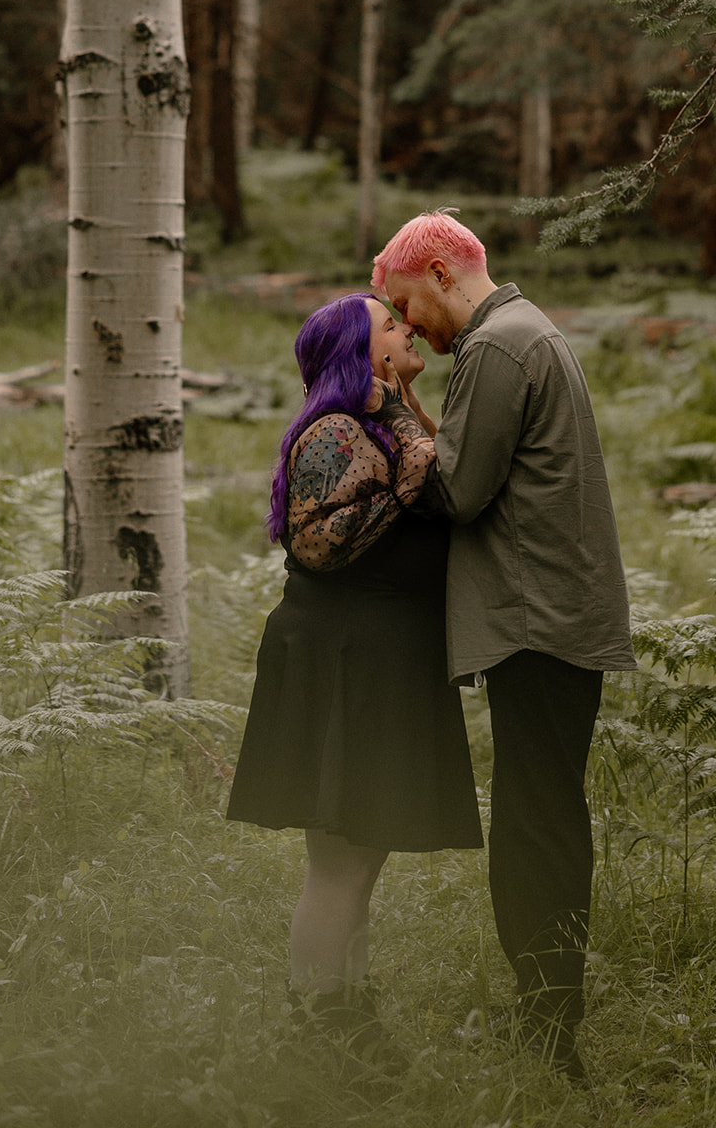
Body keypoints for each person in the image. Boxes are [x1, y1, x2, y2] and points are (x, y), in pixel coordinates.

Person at [370, 211, 635, 1084]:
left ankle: (550, 1028)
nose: (407, 327)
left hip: (538, 621)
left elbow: (458, 491)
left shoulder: (493, 348)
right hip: (557, 617)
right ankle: (548, 1010)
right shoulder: (529, 333)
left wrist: (385, 431)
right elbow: (477, 466)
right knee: (546, 813)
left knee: (535, 825)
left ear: (442, 272)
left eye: (406, 305)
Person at [225, 291, 483, 1062]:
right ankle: (318, 1018)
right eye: (391, 325)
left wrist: (403, 418)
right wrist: (405, 450)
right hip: (339, 662)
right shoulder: (336, 431)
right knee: (340, 858)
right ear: (363, 355)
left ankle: (349, 1007)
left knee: (362, 853)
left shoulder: (375, 424)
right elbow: (317, 544)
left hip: (374, 661)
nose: (407, 329)